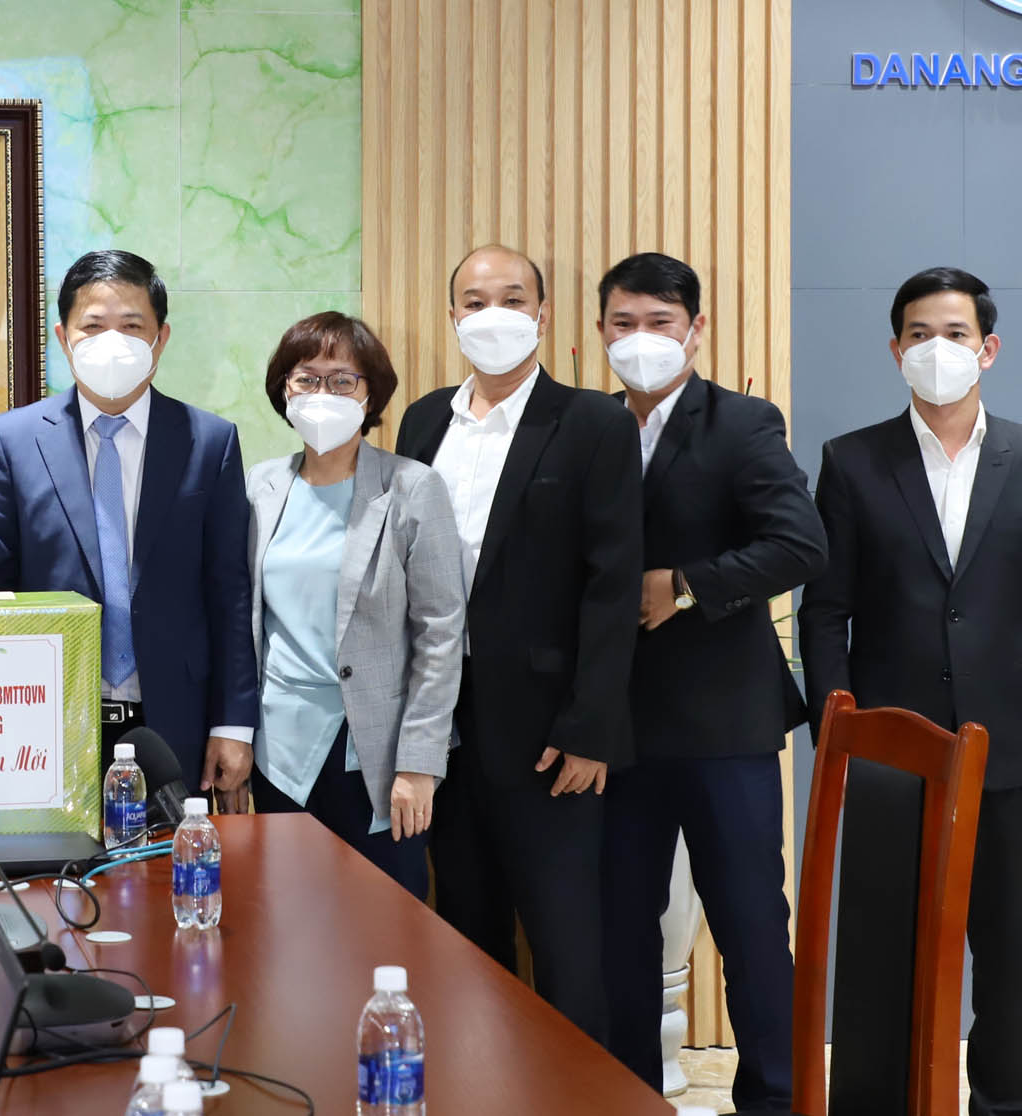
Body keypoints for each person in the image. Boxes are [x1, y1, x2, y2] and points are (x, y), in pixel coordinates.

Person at [591, 254, 824, 1112]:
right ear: (600, 332)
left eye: (660, 322)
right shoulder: (588, 426)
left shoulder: (743, 422)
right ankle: (625, 1094)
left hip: (723, 723)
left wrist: (683, 585)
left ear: (696, 329)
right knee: (619, 926)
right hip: (612, 728)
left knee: (752, 925)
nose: (641, 339)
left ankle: (775, 1098)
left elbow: (801, 545)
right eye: (623, 323)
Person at [393, 244, 641, 1042]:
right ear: (453, 316)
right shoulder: (425, 417)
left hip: (548, 739)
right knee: (466, 940)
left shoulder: (595, 421)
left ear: (542, 315)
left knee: (570, 953)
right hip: (442, 733)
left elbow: (613, 584)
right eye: (474, 300)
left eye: (511, 298)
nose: (491, 314)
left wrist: (591, 726)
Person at [798, 266, 1021, 1116]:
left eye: (955, 335)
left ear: (987, 349)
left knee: (1010, 956)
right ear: (896, 351)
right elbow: (827, 614)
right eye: (919, 335)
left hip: (1013, 752)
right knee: (886, 952)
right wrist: (841, 740)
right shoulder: (851, 462)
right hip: (896, 755)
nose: (938, 350)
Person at [0, 250, 257, 806]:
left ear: (161, 337)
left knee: (173, 880)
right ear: (63, 337)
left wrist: (234, 724)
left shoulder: (210, 440)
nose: (113, 341)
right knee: (59, 886)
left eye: (132, 326)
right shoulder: (12, 441)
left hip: (177, 722)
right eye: (93, 326)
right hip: (45, 720)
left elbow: (230, 593)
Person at [244, 312, 464, 896]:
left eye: (343, 380)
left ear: (371, 395)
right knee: (282, 927)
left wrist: (420, 762)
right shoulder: (260, 488)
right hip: (275, 748)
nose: (323, 394)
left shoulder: (412, 487)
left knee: (382, 928)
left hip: (374, 754)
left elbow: (442, 634)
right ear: (283, 390)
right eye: (306, 378)